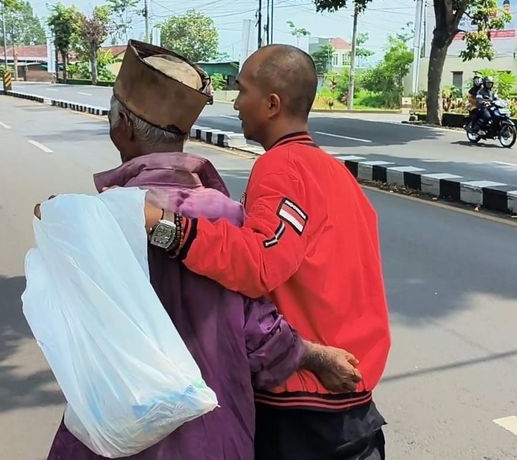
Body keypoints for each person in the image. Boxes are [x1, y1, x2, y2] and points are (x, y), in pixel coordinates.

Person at [41, 41, 361, 460]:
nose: (237, 103)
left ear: (125, 128)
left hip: (115, 435)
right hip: (213, 440)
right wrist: (311, 355)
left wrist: (68, 222)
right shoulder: (228, 214)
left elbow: (71, 330)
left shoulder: (96, 217)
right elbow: (257, 331)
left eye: (242, 91)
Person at [143, 44, 391, 459]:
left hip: (305, 414)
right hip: (350, 404)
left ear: (272, 104)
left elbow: (258, 263)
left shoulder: (283, 167)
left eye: (242, 91)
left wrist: (164, 226)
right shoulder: (335, 173)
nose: (236, 103)